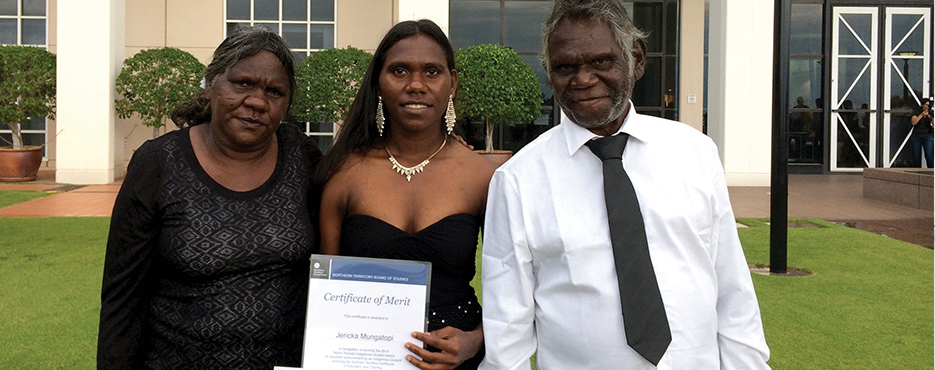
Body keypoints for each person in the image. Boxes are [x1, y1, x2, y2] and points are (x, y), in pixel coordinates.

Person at [479, 1, 770, 369]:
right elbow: (507, 329)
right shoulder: (518, 180)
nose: (583, 80)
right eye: (565, 67)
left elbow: (733, 291)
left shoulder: (695, 153)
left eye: (601, 61)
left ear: (636, 59)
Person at [97, 26, 322, 369]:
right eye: (243, 83)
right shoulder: (158, 164)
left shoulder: (302, 156)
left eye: (274, 91)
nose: (257, 102)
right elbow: (122, 300)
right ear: (211, 84)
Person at [317, 20, 495, 370]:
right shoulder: (343, 175)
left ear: (452, 84)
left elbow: (514, 290)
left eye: (432, 71)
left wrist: (474, 341)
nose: (416, 85)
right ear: (379, 85)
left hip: (459, 361)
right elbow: (324, 293)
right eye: (399, 71)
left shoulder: (484, 177)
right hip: (363, 359)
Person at [909, 98, 933, 168]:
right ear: (922, 105)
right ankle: (916, 171)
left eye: (928, 105)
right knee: (916, 155)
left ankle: (931, 171)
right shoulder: (917, 111)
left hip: (928, 135)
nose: (927, 107)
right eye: (926, 105)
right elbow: (914, 122)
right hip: (917, 135)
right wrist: (921, 115)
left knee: (929, 155)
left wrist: (931, 118)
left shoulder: (931, 112)